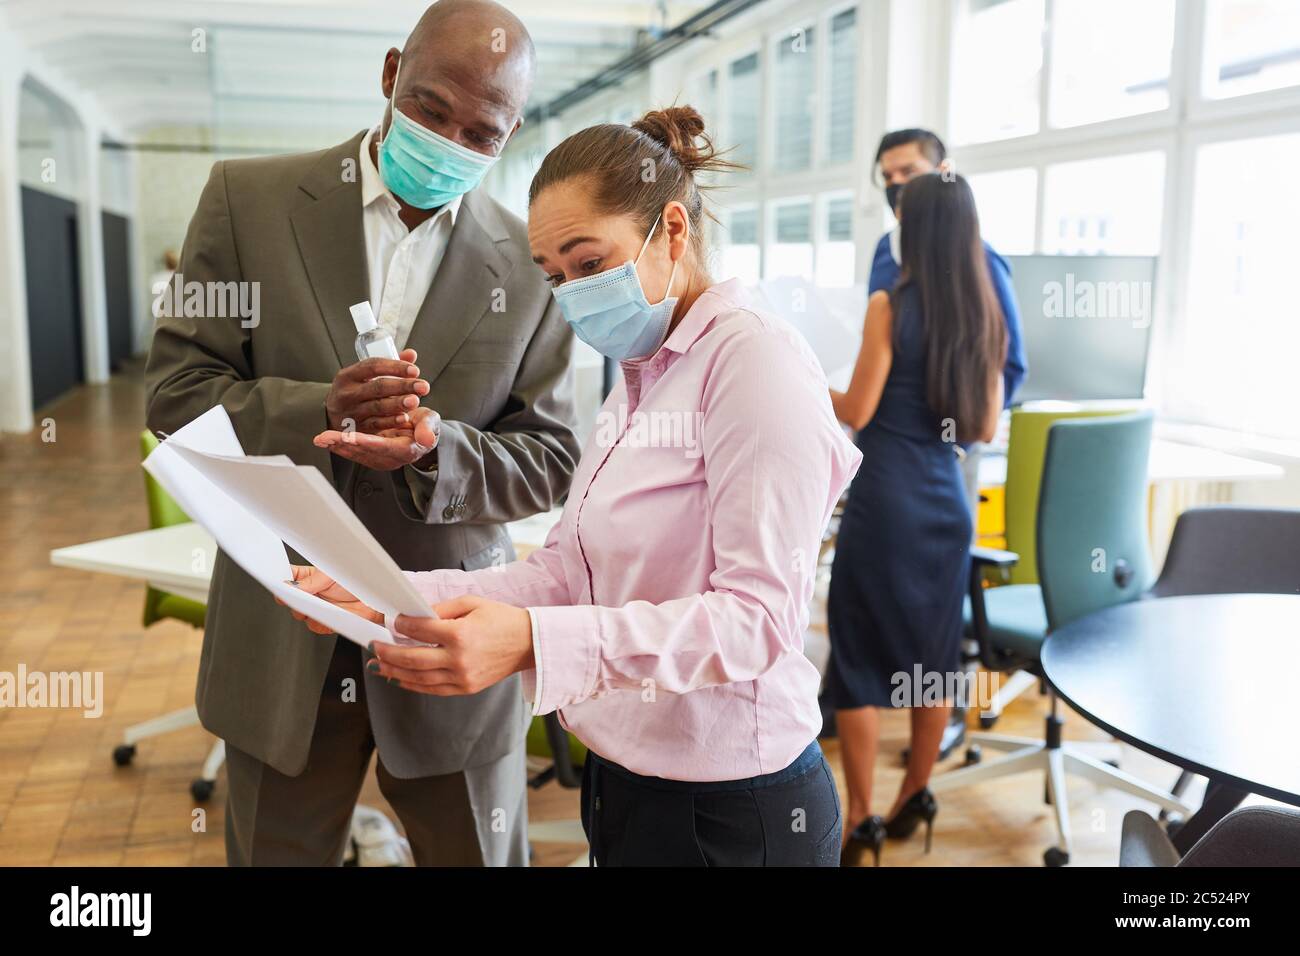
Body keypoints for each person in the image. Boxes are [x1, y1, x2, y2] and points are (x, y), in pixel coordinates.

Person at [292, 105, 863, 867]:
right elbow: (565, 571)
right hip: (624, 780)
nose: (571, 295)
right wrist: (387, 595)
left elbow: (755, 621)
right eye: (553, 275)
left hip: (731, 808)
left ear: (672, 232)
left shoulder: (753, 362)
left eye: (589, 263)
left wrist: (531, 643)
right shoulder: (641, 373)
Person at [144, 0, 581, 867]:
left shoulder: (536, 263)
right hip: (283, 640)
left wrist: (435, 449)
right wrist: (322, 411)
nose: (450, 140)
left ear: (514, 130)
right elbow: (176, 394)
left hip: (448, 638)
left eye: (482, 131)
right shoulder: (248, 201)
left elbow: (554, 459)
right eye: (427, 108)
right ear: (389, 75)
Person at [826, 172, 1006, 866]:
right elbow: (984, 425)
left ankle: (864, 817)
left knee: (860, 660)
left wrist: (803, 372)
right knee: (932, 664)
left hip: (885, 503)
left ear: (914, 229)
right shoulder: (983, 313)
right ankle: (915, 796)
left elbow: (858, 410)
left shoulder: (889, 305)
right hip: (945, 503)